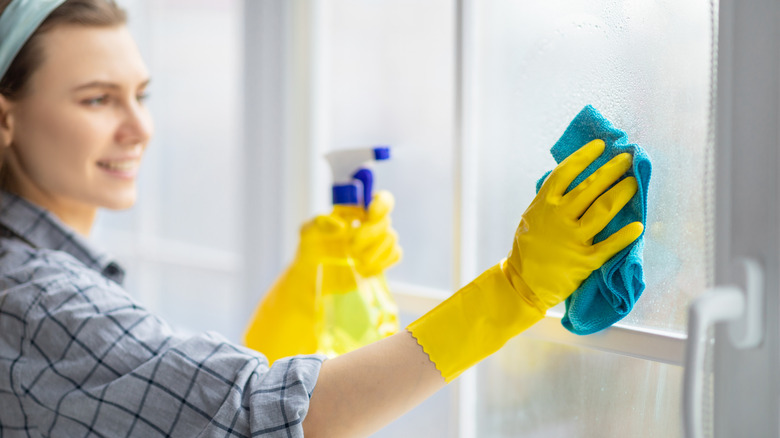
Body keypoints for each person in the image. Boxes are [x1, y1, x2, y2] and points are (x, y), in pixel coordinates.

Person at [0, 0, 643, 436]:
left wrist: (298, 303)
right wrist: (513, 292)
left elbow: (171, 411)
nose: (139, 128)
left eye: (141, 95)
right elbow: (263, 417)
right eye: (96, 99)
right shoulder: (37, 302)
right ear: (7, 118)